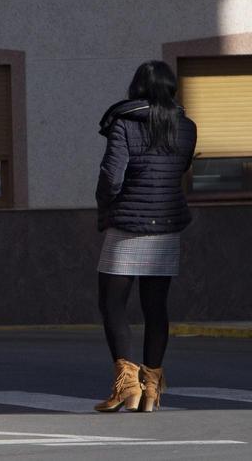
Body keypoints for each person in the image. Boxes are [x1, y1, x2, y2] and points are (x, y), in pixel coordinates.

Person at [93, 61, 197, 413]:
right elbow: (179, 170)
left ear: (136, 87)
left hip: (127, 224)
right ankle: (152, 387)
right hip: (167, 225)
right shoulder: (186, 127)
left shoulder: (124, 122)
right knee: (156, 307)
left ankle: (127, 385)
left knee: (112, 302)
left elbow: (112, 175)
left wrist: (105, 206)